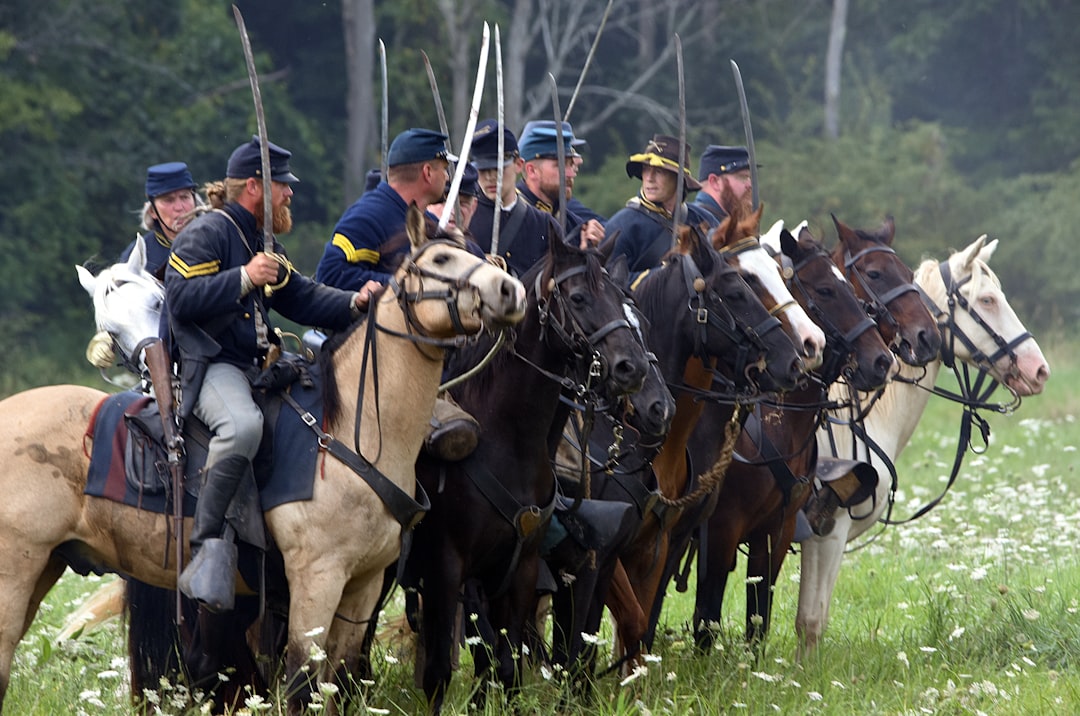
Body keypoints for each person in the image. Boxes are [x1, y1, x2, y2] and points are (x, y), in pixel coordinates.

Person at [165, 135, 375, 612]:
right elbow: (180, 300)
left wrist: (355, 303)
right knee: (242, 428)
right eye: (283, 185)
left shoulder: (262, 241)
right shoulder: (208, 232)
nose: (290, 194)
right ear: (256, 188)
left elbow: (300, 297)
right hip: (212, 366)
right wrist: (243, 278)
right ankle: (208, 547)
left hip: (258, 368)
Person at [315, 128, 480, 463]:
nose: (447, 177)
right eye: (443, 169)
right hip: (374, 368)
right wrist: (402, 285)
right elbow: (330, 276)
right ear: (427, 172)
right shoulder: (370, 215)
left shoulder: (416, 218)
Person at [604, 134, 714, 281]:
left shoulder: (703, 219)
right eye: (646, 169)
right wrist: (667, 276)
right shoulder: (621, 225)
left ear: (679, 179)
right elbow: (609, 282)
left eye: (659, 171)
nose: (649, 178)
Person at [466, 119, 553, 276]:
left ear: (519, 165)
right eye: (484, 170)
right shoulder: (464, 220)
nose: (491, 177)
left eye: (498, 169)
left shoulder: (544, 224)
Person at [516, 120, 605, 248]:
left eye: (570, 165)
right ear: (532, 171)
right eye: (560, 165)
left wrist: (586, 255)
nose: (571, 174)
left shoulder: (574, 227)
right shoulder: (506, 216)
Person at [122, 162, 201, 277]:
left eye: (184, 197)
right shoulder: (138, 256)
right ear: (152, 211)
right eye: (169, 200)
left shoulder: (219, 240)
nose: (179, 208)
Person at [691, 144, 754, 226]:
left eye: (749, 178)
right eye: (742, 177)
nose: (749, 185)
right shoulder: (695, 222)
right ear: (715, 182)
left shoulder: (723, 222)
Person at [427, 162, 481, 232]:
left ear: (473, 206)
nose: (453, 211)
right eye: (444, 202)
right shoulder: (410, 240)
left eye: (462, 203)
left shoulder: (482, 240)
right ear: (426, 203)